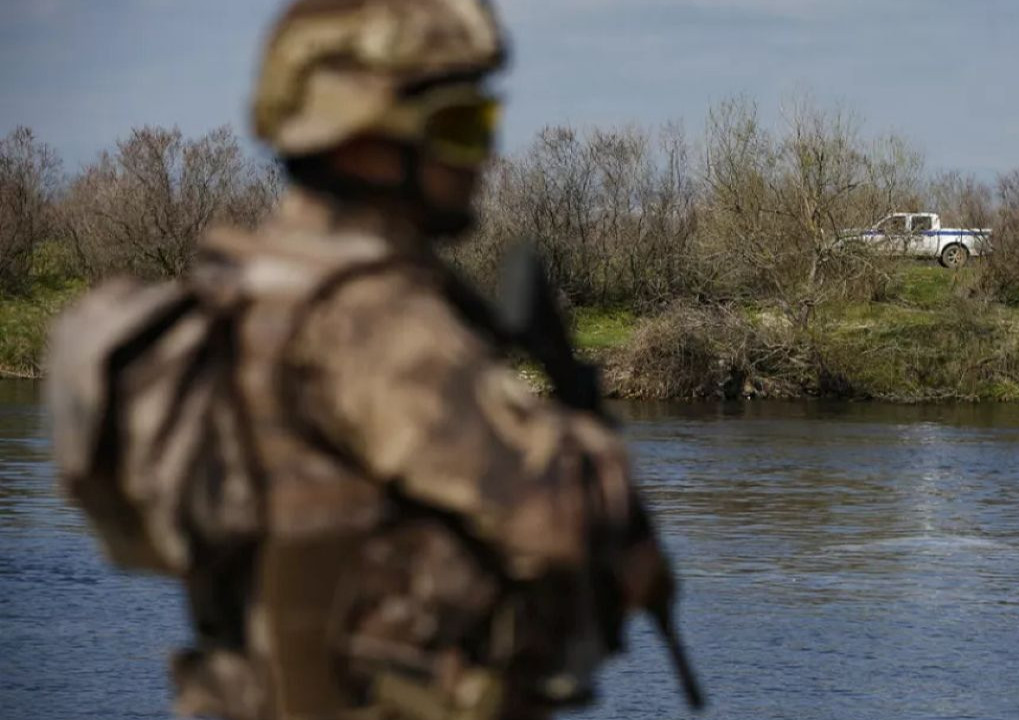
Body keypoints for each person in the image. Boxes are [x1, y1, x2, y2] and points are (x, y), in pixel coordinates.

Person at [45, 1, 698, 719]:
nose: (483, 154)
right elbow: (558, 518)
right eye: (460, 127)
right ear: (363, 141)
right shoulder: (373, 319)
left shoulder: (244, 286)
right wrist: (600, 468)